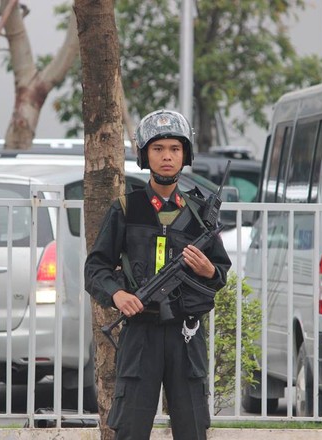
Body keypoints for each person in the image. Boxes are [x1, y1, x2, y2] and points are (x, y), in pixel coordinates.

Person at [84, 109, 231, 439]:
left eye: (175, 149)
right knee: (130, 428)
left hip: (186, 334)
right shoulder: (126, 208)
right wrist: (118, 295)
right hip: (140, 335)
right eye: (158, 148)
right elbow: (95, 268)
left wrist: (208, 270)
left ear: (185, 155)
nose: (167, 157)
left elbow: (220, 273)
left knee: (192, 427)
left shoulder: (200, 214)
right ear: (144, 154)